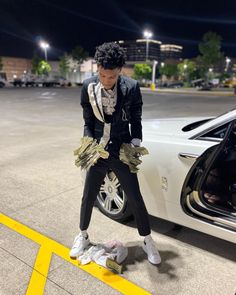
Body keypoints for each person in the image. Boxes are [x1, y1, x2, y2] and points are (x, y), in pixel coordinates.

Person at [70, 42, 161, 265]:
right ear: (98, 68)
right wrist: (90, 145)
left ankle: (147, 240)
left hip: (121, 149)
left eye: (111, 77)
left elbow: (136, 120)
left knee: (135, 197)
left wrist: (136, 141)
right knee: (88, 196)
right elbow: (88, 123)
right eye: (102, 75)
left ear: (120, 71)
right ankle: (82, 235)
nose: (106, 80)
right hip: (98, 151)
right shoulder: (88, 87)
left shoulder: (131, 87)